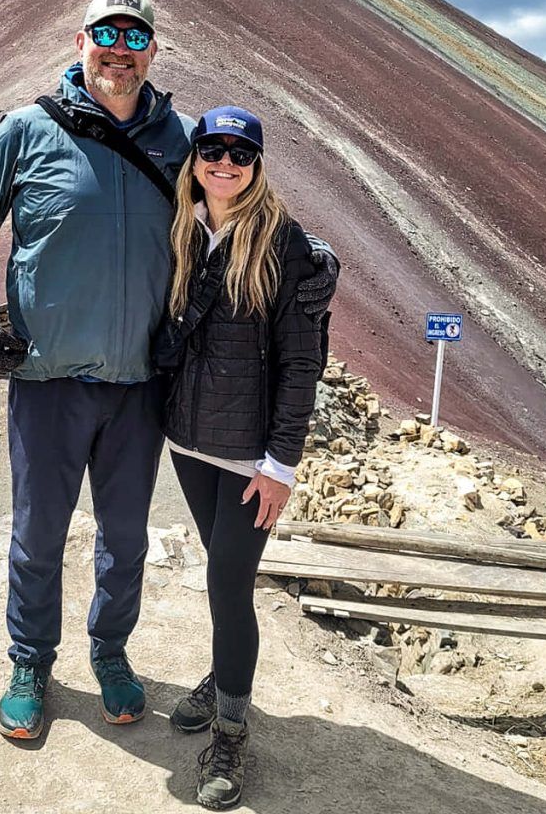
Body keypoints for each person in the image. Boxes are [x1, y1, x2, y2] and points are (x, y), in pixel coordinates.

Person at [0, 0, 338, 743]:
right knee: (37, 536)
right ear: (80, 40)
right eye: (106, 34)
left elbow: (240, 201)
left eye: (136, 37)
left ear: (153, 51)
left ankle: (110, 653)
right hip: (48, 380)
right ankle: (30, 662)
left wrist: (313, 260)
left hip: (140, 388)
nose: (119, 50)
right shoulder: (26, 131)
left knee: (125, 539)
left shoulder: (182, 142)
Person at [156, 106, 336, 810]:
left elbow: (301, 362)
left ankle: (231, 731)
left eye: (240, 152)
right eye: (212, 149)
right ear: (195, 157)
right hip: (189, 441)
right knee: (220, 575)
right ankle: (221, 676)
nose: (224, 162)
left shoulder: (286, 244)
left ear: (258, 165)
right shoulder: (183, 228)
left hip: (249, 457)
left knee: (229, 589)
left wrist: (281, 465)